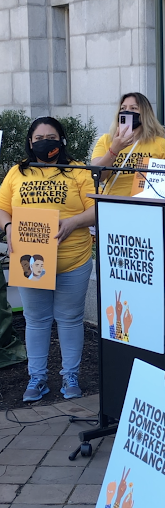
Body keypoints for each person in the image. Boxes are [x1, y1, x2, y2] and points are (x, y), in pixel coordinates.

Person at [0, 116, 95, 402]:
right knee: (36, 321)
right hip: (30, 260)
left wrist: (73, 222)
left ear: (62, 140)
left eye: (51, 137)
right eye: (38, 139)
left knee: (70, 320)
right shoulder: (17, 172)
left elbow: (96, 209)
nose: (45, 143)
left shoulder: (77, 170)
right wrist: (7, 227)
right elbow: (3, 209)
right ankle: (37, 378)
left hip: (72, 261)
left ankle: (70, 377)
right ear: (30, 143)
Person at [91, 92, 165, 195]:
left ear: (145, 114)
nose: (127, 111)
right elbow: (97, 176)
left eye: (133, 108)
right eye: (123, 108)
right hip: (113, 204)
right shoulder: (106, 140)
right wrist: (114, 150)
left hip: (146, 205)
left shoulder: (160, 144)